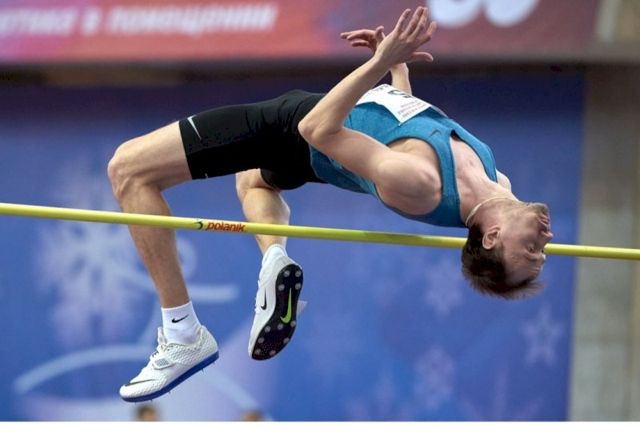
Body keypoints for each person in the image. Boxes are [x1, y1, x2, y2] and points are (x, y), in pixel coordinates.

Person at [107, 7, 553, 403]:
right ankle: (274, 259)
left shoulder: (422, 186)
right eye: (541, 252)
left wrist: (377, 62)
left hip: (287, 130)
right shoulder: (495, 177)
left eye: (531, 251)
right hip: (303, 145)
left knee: (128, 170)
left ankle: (182, 333)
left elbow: (315, 129)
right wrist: (397, 70)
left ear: (492, 238)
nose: (545, 242)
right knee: (253, 182)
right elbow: (407, 125)